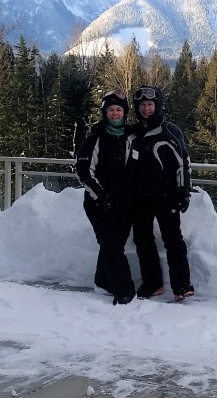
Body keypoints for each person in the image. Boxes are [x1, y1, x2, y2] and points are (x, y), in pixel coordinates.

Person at [127, 85, 194, 301]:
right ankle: (152, 283)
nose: (147, 109)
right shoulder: (132, 134)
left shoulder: (169, 131)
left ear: (157, 106)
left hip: (166, 196)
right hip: (139, 197)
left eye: (150, 104)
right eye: (142, 105)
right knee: (142, 240)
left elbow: (183, 163)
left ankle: (182, 285)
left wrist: (184, 190)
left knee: (173, 239)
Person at [74, 89, 136, 305]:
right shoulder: (96, 138)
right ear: (104, 112)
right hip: (99, 203)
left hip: (124, 203)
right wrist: (101, 197)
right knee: (112, 245)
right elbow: (84, 171)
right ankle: (124, 290)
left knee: (113, 245)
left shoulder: (130, 136)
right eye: (111, 110)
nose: (115, 113)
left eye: (119, 109)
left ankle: (102, 281)